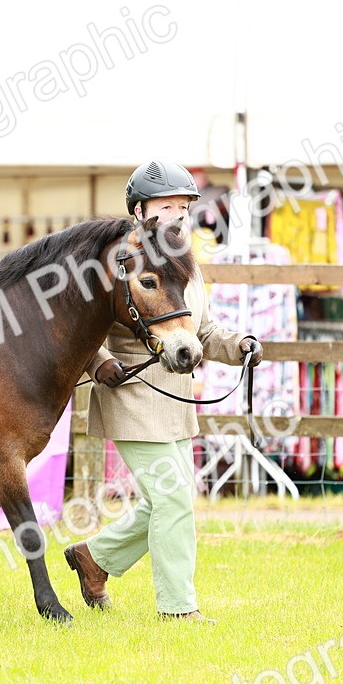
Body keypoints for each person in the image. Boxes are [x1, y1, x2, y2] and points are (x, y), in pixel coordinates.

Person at [64, 160, 263, 624]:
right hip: (132, 396)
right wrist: (97, 363)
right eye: (165, 205)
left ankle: (94, 558)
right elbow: (78, 327)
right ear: (139, 211)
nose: (176, 214)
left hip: (175, 403)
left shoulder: (184, 265)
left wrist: (240, 346)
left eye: (183, 206)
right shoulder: (117, 263)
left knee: (167, 499)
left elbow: (203, 331)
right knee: (173, 498)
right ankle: (178, 609)